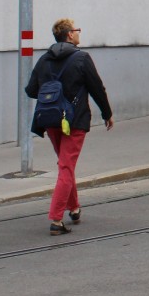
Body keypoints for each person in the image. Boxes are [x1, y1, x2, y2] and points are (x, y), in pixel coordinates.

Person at [24, 18, 113, 236]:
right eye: (77, 29)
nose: (79, 32)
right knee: (66, 166)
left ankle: (74, 208)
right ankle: (56, 219)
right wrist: (107, 114)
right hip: (74, 120)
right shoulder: (81, 58)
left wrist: (54, 94)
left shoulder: (44, 59)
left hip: (51, 120)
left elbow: (31, 90)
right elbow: (97, 88)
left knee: (65, 164)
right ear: (70, 35)